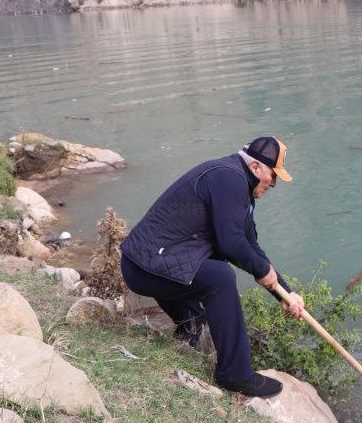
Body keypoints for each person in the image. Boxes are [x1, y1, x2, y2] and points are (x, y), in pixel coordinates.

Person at [120, 136, 305, 399]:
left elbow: (250, 246)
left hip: (153, 262)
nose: (273, 184)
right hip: (144, 267)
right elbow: (231, 244)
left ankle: (189, 330)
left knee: (210, 273)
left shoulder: (238, 184)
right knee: (220, 277)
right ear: (255, 167)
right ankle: (236, 373)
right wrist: (263, 271)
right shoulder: (229, 179)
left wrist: (285, 294)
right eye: (272, 175)